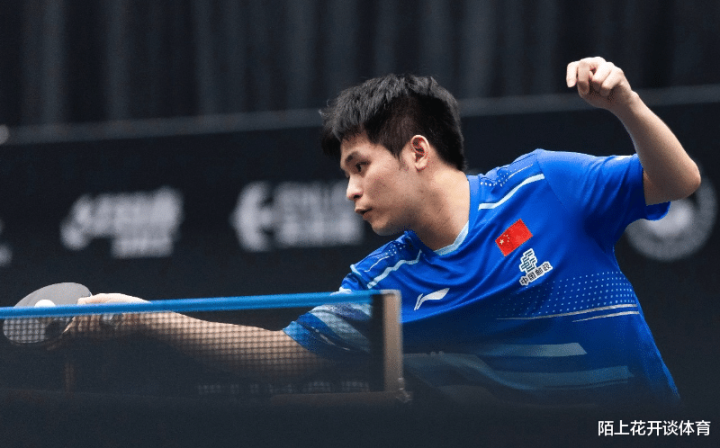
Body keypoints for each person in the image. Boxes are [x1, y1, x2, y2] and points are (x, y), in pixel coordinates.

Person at [72, 57, 700, 409]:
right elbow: (284, 357)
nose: (350, 190)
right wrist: (147, 315)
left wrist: (624, 103)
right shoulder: (385, 285)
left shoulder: (544, 186)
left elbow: (679, 181)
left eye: (360, 167)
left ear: (417, 152)